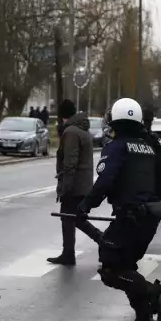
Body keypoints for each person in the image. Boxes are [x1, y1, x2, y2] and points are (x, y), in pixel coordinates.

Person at [77, 97, 161, 321]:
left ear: (115, 120)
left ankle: (158, 295)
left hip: (129, 218)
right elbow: (157, 189)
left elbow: (105, 181)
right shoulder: (150, 147)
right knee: (127, 268)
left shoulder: (116, 146)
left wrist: (86, 205)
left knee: (111, 270)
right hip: (149, 218)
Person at [48, 99, 102, 265]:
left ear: (62, 115)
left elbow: (70, 162)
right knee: (74, 218)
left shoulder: (71, 132)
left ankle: (103, 242)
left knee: (70, 218)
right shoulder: (82, 129)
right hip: (83, 184)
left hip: (74, 185)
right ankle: (70, 252)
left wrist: (65, 187)